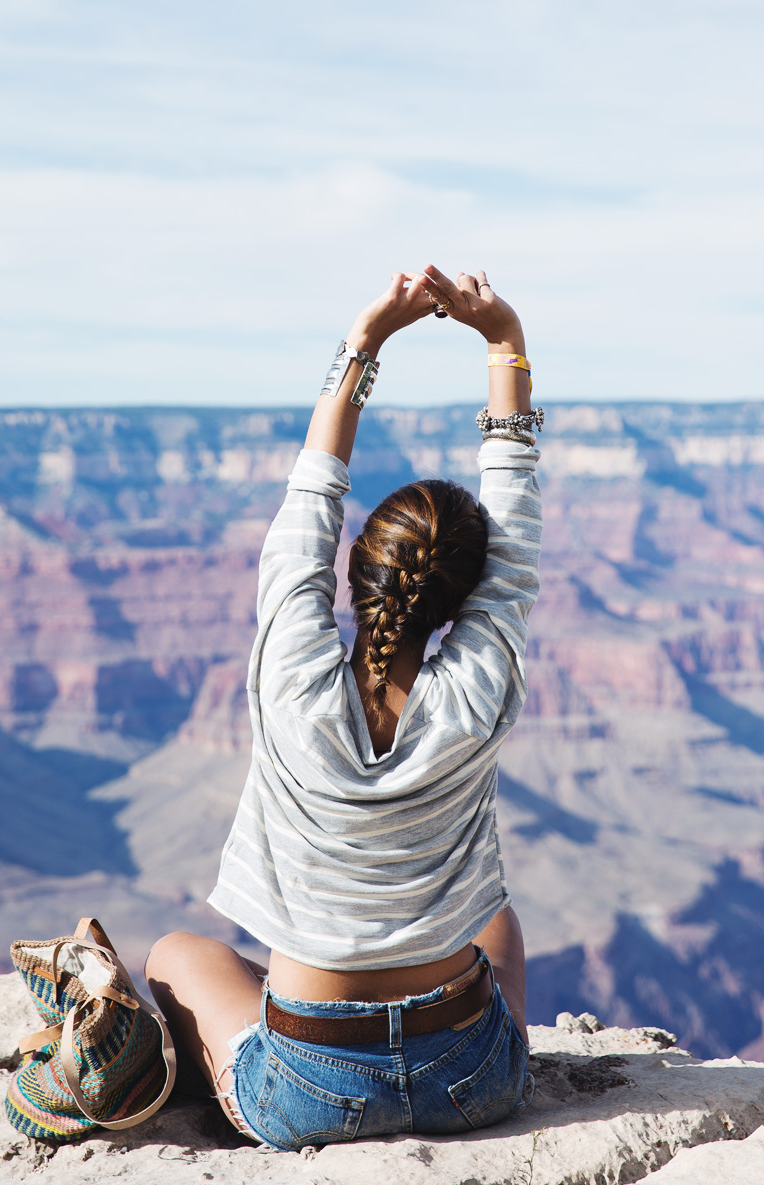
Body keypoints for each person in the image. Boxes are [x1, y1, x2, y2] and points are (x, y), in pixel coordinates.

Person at [146, 264, 543, 1150]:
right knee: (498, 921)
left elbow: (307, 501)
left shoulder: (289, 676)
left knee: (178, 953)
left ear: (357, 567)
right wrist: (504, 341)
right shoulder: (478, 692)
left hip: (310, 1088)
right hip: (471, 1079)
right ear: (465, 601)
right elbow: (514, 548)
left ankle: (301, 1007)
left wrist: (363, 342)